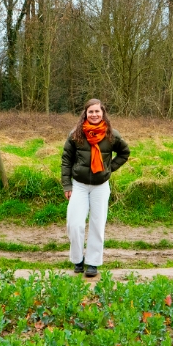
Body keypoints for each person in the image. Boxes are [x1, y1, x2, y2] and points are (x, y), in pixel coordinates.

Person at [61, 99, 130, 277]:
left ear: (102, 113)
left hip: (100, 186)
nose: (94, 115)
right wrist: (67, 184)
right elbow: (66, 160)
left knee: (97, 225)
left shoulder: (111, 135)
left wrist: (109, 168)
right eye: (90, 112)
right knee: (74, 224)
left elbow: (124, 153)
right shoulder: (76, 134)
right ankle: (77, 259)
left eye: (97, 112)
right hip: (79, 186)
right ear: (85, 114)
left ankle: (93, 263)